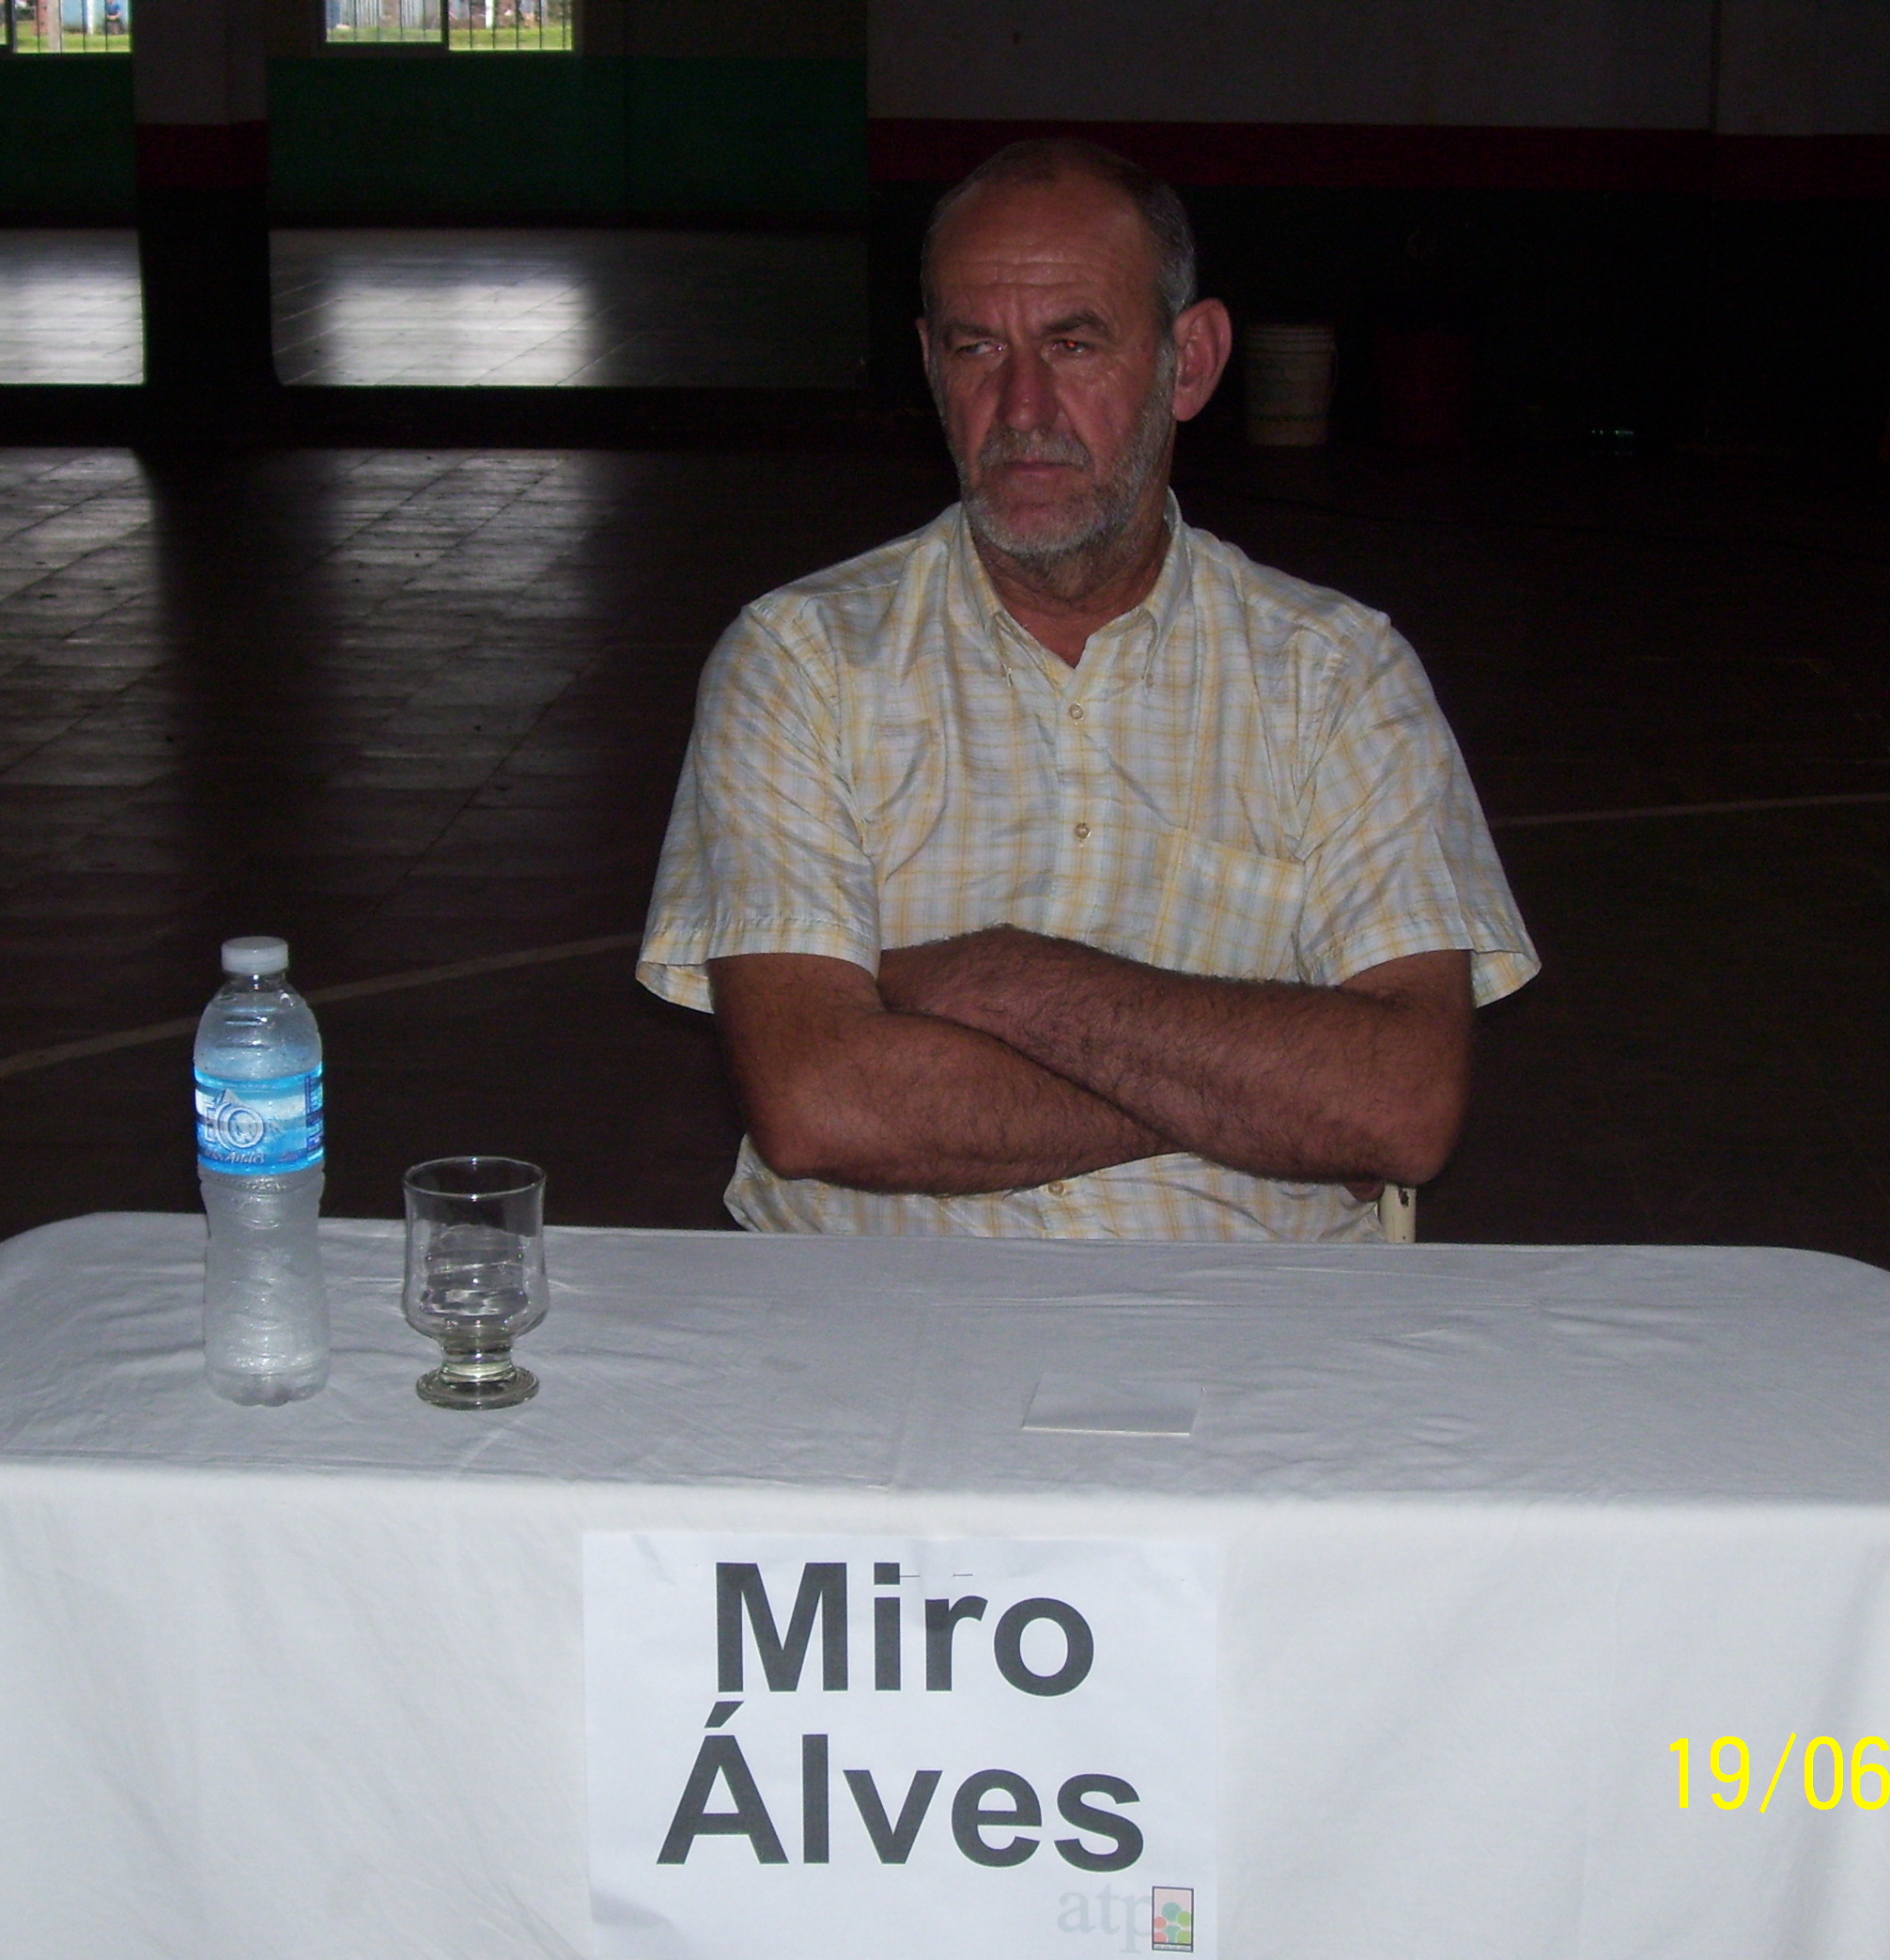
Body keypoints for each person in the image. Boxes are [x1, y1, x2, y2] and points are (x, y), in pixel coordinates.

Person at [638, 138, 1537, 1238]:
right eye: (976, 346)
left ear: (1189, 362)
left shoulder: (1336, 676)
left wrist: (994, 977)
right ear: (928, 364)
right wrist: (1265, 1099)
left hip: (1245, 1317)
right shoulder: (798, 661)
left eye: (1073, 343)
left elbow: (1400, 1104)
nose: (1022, 405)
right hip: (882, 1316)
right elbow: (820, 1102)